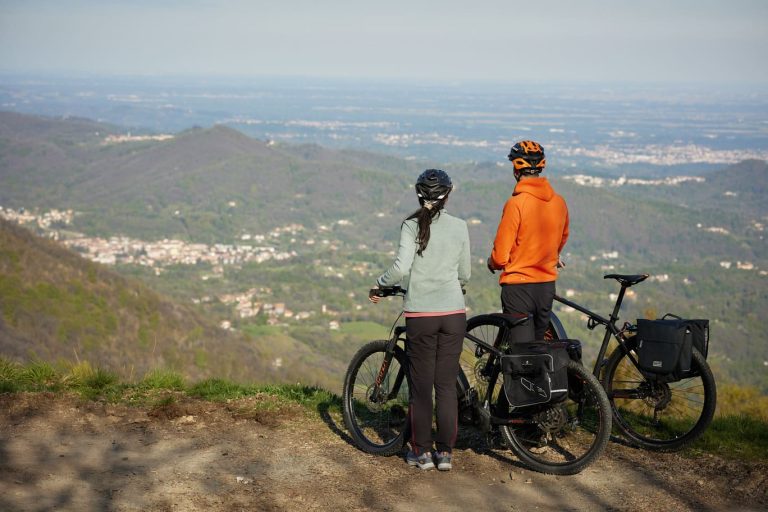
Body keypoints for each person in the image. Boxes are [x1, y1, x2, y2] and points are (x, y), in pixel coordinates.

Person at [369, 168, 471, 471]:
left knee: (421, 386)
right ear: (448, 194)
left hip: (421, 316)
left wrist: (380, 283)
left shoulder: (411, 225)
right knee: (446, 386)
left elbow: (401, 268)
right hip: (454, 314)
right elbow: (464, 273)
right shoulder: (461, 226)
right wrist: (454, 291)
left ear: (418, 194)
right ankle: (446, 455)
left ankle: (422, 453)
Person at [487, 140, 569, 342]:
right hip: (546, 285)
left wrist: (492, 262)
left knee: (521, 353)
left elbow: (500, 256)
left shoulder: (516, 203)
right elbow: (562, 237)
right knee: (538, 348)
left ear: (516, 169)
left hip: (518, 287)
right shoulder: (559, 202)